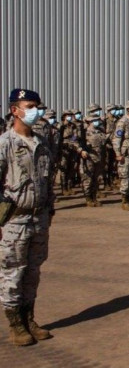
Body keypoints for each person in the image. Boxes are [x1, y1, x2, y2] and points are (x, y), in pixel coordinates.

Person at [0, 88, 55, 346]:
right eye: (30, 106)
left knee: (33, 273)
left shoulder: (42, 143)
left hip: (39, 219)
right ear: (15, 110)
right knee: (13, 274)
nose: (36, 112)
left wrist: (49, 213)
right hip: (14, 220)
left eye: (37, 107)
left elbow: (48, 182)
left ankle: (29, 318)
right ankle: (16, 325)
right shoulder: (4, 144)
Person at [78, 115, 108, 207]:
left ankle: (94, 197)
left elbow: (105, 142)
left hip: (99, 158)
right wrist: (81, 150)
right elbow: (74, 142)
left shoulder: (100, 131)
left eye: (97, 120)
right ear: (89, 122)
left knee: (97, 178)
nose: (97, 122)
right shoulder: (83, 132)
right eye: (95, 120)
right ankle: (88, 198)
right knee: (88, 179)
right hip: (88, 158)